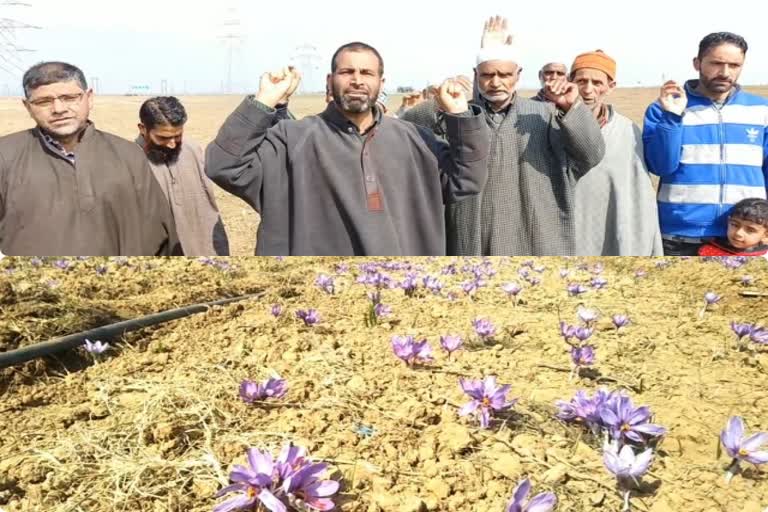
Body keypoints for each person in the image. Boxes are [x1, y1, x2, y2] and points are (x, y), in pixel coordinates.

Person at [205, 42, 490, 256]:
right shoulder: (291, 138)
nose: (356, 79)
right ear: (330, 81)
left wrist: (460, 117)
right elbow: (224, 165)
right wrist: (263, 101)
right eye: (346, 71)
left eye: (366, 72)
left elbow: (466, 179)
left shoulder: (416, 139)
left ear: (381, 82)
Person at [404, 17, 605, 255]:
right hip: (469, 242)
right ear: (476, 75)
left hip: (536, 241)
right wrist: (443, 102)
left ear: (518, 75)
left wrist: (571, 108)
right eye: (487, 75)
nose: (496, 82)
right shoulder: (460, 117)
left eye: (504, 74)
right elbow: (409, 128)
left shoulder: (544, 115)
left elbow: (591, 154)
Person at [0, 61, 180, 256]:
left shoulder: (128, 154)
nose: (59, 109)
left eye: (69, 98)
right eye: (44, 101)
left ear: (89, 98)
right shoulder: (6, 155)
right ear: (27, 107)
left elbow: (161, 234)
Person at [643, 32, 768, 256]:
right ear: (697, 63)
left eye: (734, 65)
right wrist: (672, 117)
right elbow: (661, 167)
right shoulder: (663, 108)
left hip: (744, 237)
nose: (725, 72)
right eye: (716, 63)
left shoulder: (761, 110)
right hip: (680, 236)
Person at [570, 50, 663, 255]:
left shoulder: (627, 130)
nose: (588, 89)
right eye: (581, 81)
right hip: (566, 230)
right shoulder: (552, 125)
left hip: (609, 230)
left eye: (597, 83)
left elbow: (638, 194)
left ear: (610, 87)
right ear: (570, 82)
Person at [137, 96, 230, 256]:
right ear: (143, 129)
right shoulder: (132, 160)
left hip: (205, 250)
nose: (172, 143)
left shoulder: (193, 150)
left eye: (178, 136)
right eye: (163, 138)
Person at [698, 198, 768, 256]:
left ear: (766, 235)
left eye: (750, 230)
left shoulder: (764, 256)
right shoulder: (709, 251)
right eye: (735, 225)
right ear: (728, 221)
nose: (738, 233)